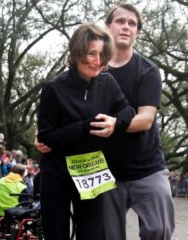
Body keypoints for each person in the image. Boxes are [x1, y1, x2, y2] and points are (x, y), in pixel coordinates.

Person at [35, 3, 175, 239]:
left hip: (139, 166)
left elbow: (142, 117)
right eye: (120, 21)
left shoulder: (138, 72)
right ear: (107, 27)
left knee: (157, 230)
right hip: (91, 168)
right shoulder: (61, 83)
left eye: (132, 23)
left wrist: (115, 124)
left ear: (138, 32)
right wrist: (43, 134)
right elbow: (50, 125)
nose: (97, 62)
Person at [36, 23, 134, 240]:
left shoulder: (107, 83)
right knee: (56, 234)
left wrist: (115, 123)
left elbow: (127, 110)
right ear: (77, 52)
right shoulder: (53, 88)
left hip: (91, 169)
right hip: (57, 171)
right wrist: (84, 127)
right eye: (92, 54)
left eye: (102, 55)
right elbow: (46, 136)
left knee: (92, 235)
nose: (98, 61)